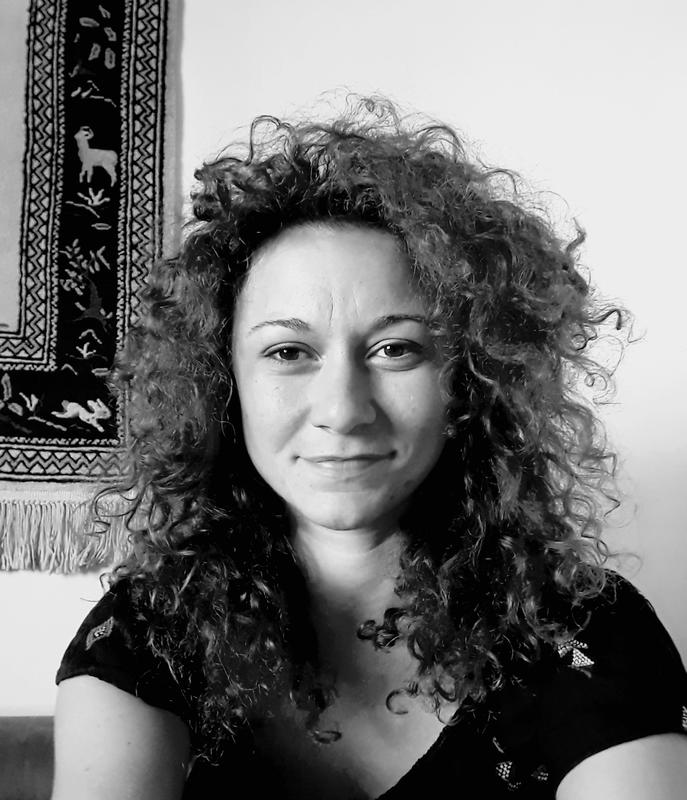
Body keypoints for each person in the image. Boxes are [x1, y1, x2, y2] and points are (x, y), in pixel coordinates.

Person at [51, 98, 687, 800]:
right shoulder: (148, 631)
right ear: (221, 385)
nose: (343, 411)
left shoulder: (586, 626)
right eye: (288, 352)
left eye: (396, 349)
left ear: (472, 378)